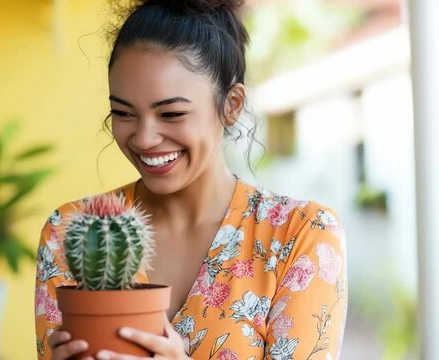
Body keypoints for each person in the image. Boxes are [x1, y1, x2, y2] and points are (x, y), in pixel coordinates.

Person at [34, 0, 348, 359]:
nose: (144, 138)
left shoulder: (300, 236)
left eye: (171, 113)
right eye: (122, 113)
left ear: (231, 105)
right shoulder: (69, 232)